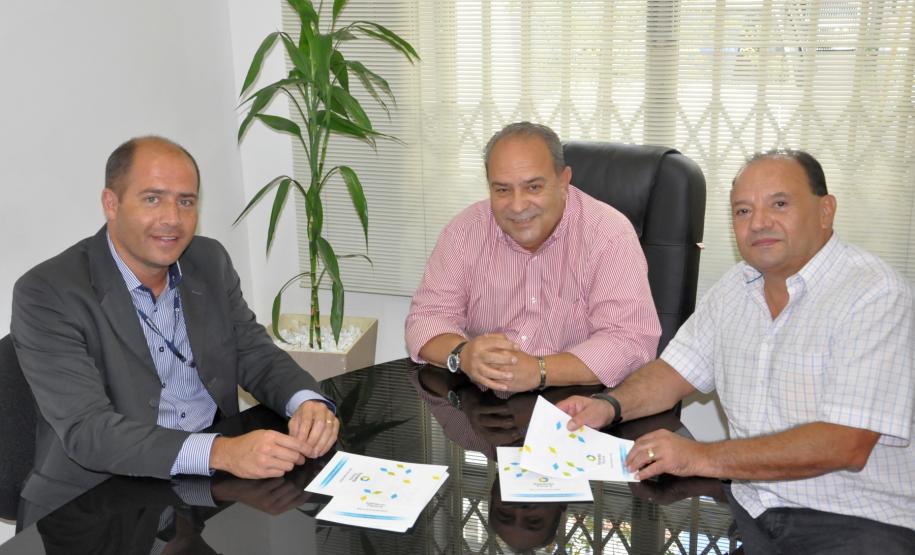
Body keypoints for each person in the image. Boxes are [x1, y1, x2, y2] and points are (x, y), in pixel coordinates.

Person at [558, 150, 915, 554]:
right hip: (754, 513)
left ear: (825, 210)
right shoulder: (735, 287)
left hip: (858, 523)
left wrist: (699, 457)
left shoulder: (874, 296)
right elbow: (673, 372)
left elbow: (844, 444)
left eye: (779, 204)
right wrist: (608, 405)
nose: (759, 222)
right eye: (743, 211)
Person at [11, 136, 339, 513]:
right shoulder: (48, 292)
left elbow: (254, 352)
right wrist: (222, 452)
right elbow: (90, 432)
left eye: (186, 201)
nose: (172, 218)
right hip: (99, 500)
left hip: (206, 489)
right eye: (153, 199)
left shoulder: (209, 260)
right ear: (111, 204)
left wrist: (307, 402)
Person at [405, 122, 660, 393]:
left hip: (581, 406)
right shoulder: (464, 232)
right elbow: (426, 318)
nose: (517, 206)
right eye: (502, 190)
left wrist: (540, 370)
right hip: (484, 406)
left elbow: (630, 342)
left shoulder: (608, 235)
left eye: (533, 187)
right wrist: (463, 354)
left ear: (563, 182)